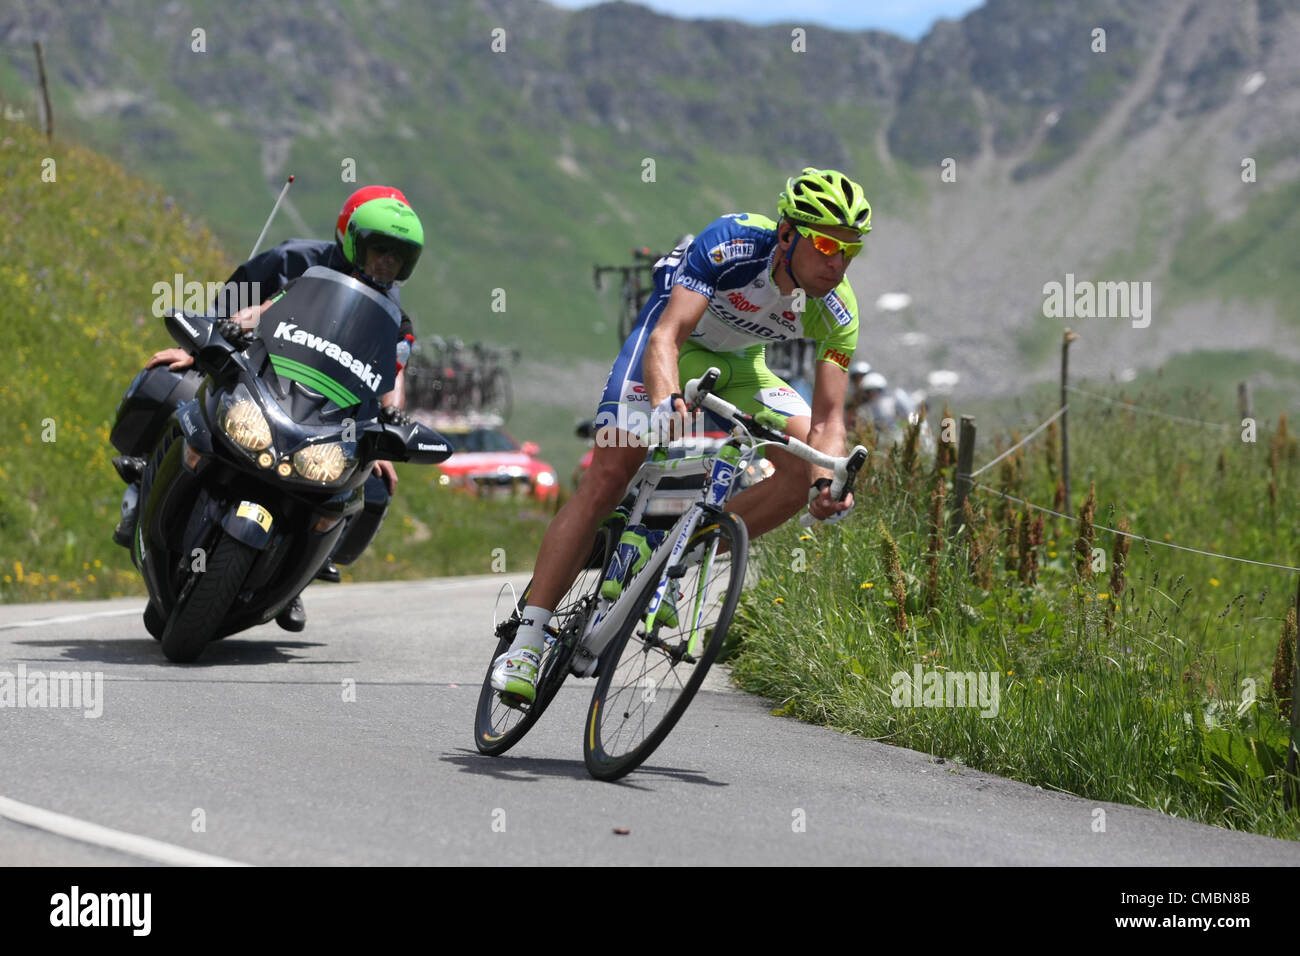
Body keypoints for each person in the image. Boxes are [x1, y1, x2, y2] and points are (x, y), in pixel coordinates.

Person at [490, 167, 871, 704]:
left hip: (741, 367)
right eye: (827, 244)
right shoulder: (734, 244)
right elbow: (667, 337)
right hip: (670, 346)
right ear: (788, 235)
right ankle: (527, 639)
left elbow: (830, 423)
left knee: (800, 473)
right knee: (606, 479)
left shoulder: (839, 310)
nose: (838, 263)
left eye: (850, 251)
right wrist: (668, 401)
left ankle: (680, 556)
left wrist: (828, 479)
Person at [112, 187, 424, 631]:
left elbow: (394, 373)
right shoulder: (299, 265)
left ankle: (301, 575)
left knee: (372, 483)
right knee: (175, 386)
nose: (386, 263)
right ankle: (143, 484)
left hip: (327, 419)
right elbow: (252, 304)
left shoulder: (394, 315)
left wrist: (391, 422)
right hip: (259, 382)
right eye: (380, 250)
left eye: (398, 257)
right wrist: (206, 340)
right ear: (354, 240)